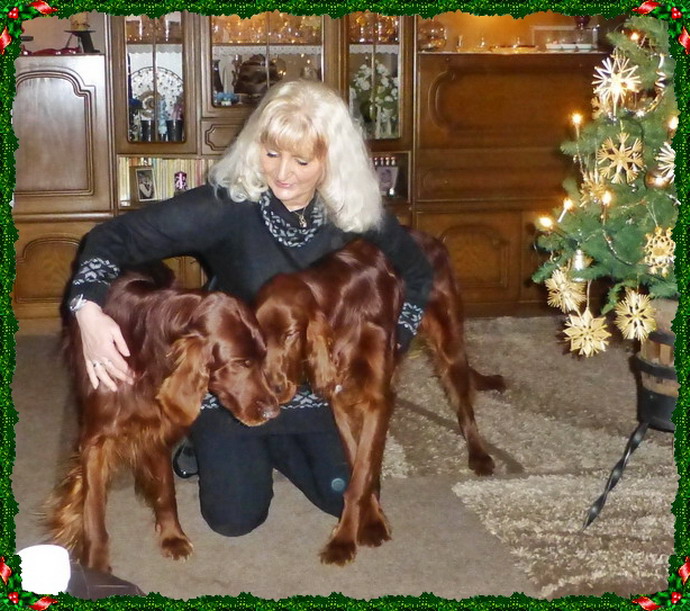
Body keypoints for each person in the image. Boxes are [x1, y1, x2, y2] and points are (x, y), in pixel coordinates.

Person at [66, 79, 433, 538]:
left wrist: (393, 345)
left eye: (302, 160)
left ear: (332, 161)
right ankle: (211, 440)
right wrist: (87, 309)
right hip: (237, 384)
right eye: (271, 153)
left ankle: (275, 443)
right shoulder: (229, 206)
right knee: (234, 519)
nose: (283, 173)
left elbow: (418, 273)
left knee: (341, 496)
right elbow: (113, 237)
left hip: (317, 388)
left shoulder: (353, 210)